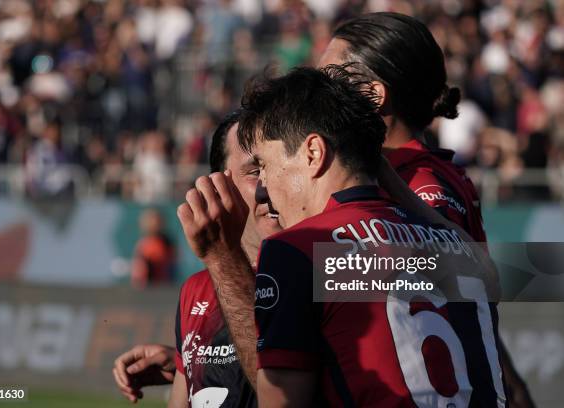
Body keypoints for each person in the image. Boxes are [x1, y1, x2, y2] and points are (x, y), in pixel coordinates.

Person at [178, 66, 506, 406]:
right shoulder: (464, 253)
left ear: (313, 154)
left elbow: (280, 402)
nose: (265, 185)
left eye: (265, 165)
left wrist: (221, 257)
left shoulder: (297, 251)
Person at [317, 13, 533, 407]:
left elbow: (460, 279)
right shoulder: (406, 172)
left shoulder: (420, 182)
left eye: (327, 79)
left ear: (372, 96)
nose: (313, 92)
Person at [114, 111, 281, 406]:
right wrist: (187, 368)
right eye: (255, 172)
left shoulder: (327, 267)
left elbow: (284, 393)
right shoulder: (196, 288)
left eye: (280, 168)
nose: (269, 186)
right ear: (220, 186)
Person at [131, 209, 175, 288]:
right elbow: (139, 273)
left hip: (163, 287)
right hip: (149, 290)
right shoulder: (143, 244)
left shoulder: (167, 243)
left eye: (157, 220)